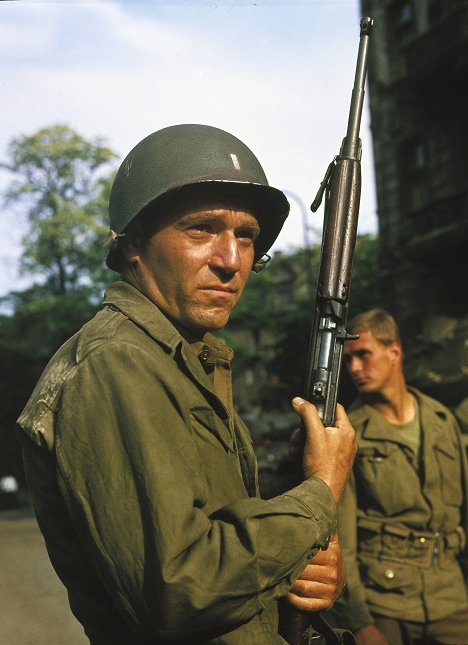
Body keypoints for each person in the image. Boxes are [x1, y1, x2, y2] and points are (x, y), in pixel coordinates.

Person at [17, 124, 356, 644]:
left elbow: (219, 537)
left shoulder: (184, 361)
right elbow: (182, 590)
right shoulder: (117, 363)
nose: (231, 260)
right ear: (133, 245)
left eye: (246, 236)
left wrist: (300, 566)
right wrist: (318, 495)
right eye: (202, 229)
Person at [328, 309, 468, 645]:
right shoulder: (350, 432)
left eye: (363, 354)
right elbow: (341, 539)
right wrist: (360, 623)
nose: (355, 368)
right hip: (383, 604)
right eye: (348, 360)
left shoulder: (441, 420)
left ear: (394, 352)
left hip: (450, 597)